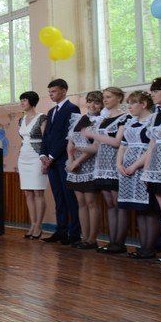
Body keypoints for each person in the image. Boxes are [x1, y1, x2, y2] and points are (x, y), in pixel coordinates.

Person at [83, 87, 129, 254]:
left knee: (118, 204)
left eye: (108, 97)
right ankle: (112, 241)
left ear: (119, 98)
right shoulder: (103, 119)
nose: (105, 100)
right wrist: (76, 150)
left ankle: (120, 242)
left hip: (115, 164)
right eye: (104, 97)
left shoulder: (125, 117)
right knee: (109, 205)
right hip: (102, 165)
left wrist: (93, 135)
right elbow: (96, 146)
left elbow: (117, 142)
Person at [115, 91, 157, 258]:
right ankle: (142, 246)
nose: (129, 107)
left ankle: (149, 247)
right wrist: (119, 163)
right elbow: (123, 145)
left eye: (133, 103)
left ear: (144, 104)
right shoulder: (131, 122)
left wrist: (135, 165)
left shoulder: (152, 121)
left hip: (143, 167)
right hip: (127, 170)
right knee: (138, 209)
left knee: (148, 209)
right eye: (128, 103)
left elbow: (151, 148)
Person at [39, 79, 81, 245]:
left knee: (69, 197)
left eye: (54, 91)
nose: (51, 95)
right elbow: (47, 135)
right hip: (51, 161)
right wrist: (43, 155)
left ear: (64, 91)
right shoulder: (51, 111)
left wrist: (52, 156)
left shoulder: (72, 109)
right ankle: (61, 230)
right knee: (58, 197)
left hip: (63, 159)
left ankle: (74, 233)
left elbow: (67, 136)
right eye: (49, 92)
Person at [65, 92, 103, 249]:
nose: (92, 105)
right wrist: (71, 160)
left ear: (101, 105)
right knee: (81, 203)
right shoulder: (79, 119)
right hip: (75, 167)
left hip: (90, 164)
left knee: (91, 202)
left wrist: (78, 161)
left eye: (96, 102)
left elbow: (94, 146)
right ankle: (84, 237)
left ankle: (92, 239)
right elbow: (71, 142)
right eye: (90, 101)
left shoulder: (100, 121)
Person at [136, 77, 161, 261]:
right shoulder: (156, 115)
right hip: (157, 169)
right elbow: (152, 145)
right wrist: (147, 171)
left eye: (156, 91)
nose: (152, 94)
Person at [16, 91, 47, 239]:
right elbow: (22, 140)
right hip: (23, 157)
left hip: (37, 157)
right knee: (28, 192)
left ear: (32, 101)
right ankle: (33, 224)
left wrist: (45, 160)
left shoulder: (42, 118)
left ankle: (39, 225)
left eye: (24, 100)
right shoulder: (21, 119)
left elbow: (46, 140)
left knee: (38, 192)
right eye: (21, 100)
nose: (22, 103)